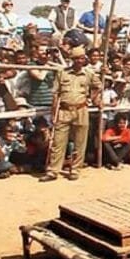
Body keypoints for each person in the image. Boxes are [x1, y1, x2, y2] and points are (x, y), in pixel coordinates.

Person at [40, 46, 102, 182]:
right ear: (72, 59)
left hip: (81, 109)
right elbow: (56, 94)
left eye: (81, 58)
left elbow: (98, 86)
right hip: (63, 110)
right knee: (58, 142)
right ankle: (53, 171)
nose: (79, 61)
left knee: (80, 142)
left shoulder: (89, 74)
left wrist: (93, 97)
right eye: (76, 58)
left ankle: (75, 169)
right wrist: (53, 112)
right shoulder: (62, 73)